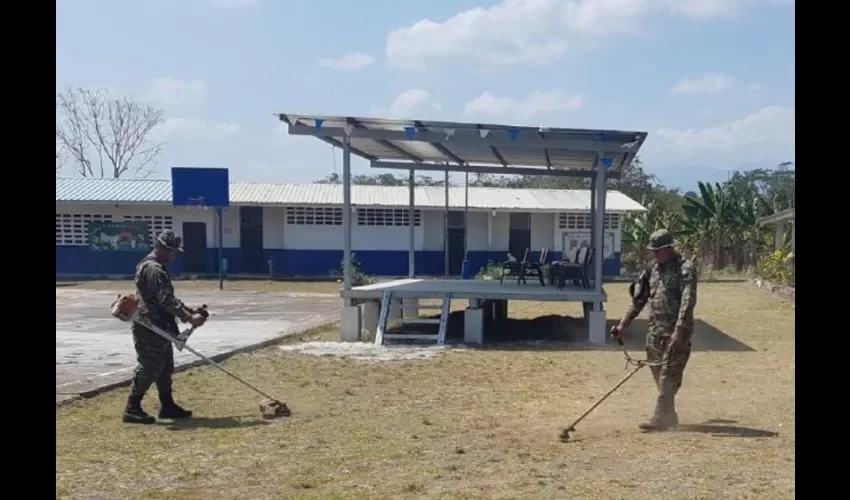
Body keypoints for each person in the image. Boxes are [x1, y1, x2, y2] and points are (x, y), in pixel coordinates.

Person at [611, 229, 698, 431]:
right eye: (653, 251)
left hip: (676, 333)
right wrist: (623, 324)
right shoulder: (652, 270)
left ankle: (659, 419)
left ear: (669, 248)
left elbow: (687, 302)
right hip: (655, 332)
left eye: (659, 250)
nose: (655, 254)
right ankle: (669, 416)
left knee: (669, 376)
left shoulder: (685, 269)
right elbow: (639, 299)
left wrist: (679, 330)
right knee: (660, 376)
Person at [123, 230, 207, 424]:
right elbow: (166, 300)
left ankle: (167, 405)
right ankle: (132, 407)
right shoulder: (154, 269)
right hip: (149, 326)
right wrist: (189, 318)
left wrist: (189, 310)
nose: (174, 256)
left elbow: (167, 299)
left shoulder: (153, 266)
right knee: (150, 366)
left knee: (165, 366)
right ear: (161, 249)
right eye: (172, 252)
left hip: (159, 325)